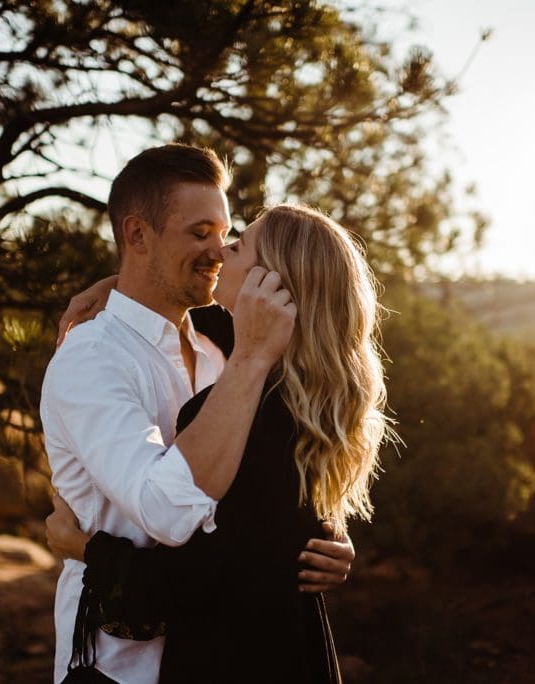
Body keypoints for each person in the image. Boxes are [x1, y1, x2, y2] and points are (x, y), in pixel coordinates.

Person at [41, 145, 354, 684]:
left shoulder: (220, 357)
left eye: (227, 234)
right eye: (200, 232)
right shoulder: (93, 358)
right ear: (137, 236)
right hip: (119, 667)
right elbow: (165, 511)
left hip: (220, 652)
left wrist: (323, 533)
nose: (218, 250)